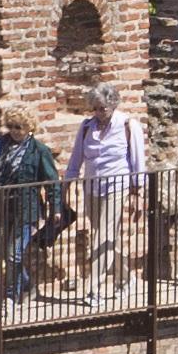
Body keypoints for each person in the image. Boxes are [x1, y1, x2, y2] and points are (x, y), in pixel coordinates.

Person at [62, 84, 145, 305]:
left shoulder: (127, 125)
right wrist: (66, 185)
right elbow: (76, 158)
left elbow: (138, 161)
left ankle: (93, 288)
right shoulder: (87, 126)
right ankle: (127, 278)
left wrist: (137, 192)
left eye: (103, 108)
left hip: (116, 186)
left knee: (102, 236)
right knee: (106, 236)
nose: (99, 113)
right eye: (96, 108)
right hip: (91, 187)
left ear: (113, 105)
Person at [0, 108, 58, 303]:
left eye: (19, 127)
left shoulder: (39, 150)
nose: (15, 131)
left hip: (27, 208)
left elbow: (52, 181)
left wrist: (55, 207)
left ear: (29, 128)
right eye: (12, 127)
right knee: (4, 253)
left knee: (13, 254)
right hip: (2, 207)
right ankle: (28, 285)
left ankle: (11, 296)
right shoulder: (1, 146)